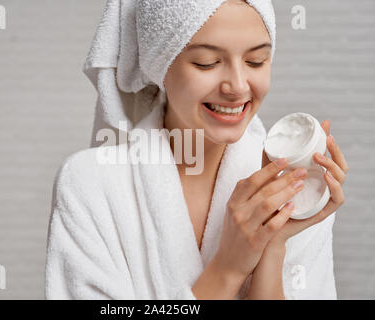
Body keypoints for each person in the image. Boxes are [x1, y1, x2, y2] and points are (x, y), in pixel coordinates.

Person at [45, 0, 349, 299]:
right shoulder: (89, 184)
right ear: (160, 66)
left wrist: (272, 246)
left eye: (255, 61)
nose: (239, 86)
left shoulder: (295, 187)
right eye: (207, 62)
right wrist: (227, 269)